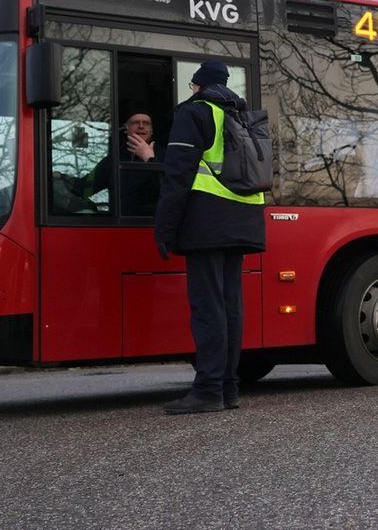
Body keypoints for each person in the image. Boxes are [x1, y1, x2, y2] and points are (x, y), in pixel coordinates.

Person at [155, 60, 266, 414]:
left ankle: (207, 390)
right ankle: (229, 387)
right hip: (244, 220)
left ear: (198, 85)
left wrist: (165, 228)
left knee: (208, 308)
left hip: (207, 221)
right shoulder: (241, 115)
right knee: (230, 305)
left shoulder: (196, 113)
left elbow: (177, 174)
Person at [57, 110, 164, 215]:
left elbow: (170, 189)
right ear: (126, 128)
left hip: (151, 224)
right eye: (135, 122)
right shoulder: (114, 158)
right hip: (118, 225)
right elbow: (86, 187)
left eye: (146, 123)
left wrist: (150, 159)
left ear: (151, 130)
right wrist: (60, 177)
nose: (141, 126)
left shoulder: (165, 154)